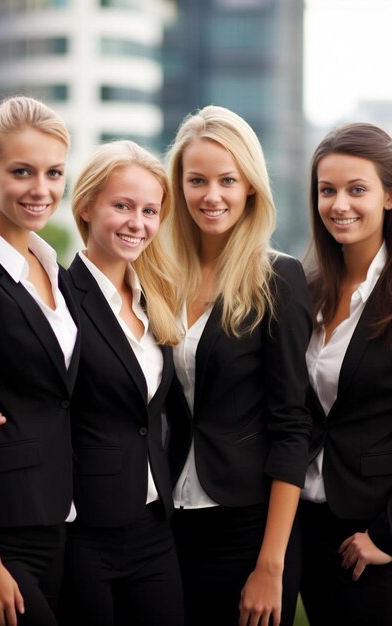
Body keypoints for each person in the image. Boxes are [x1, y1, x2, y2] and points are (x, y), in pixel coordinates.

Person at [164, 105, 312, 626]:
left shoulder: (280, 279)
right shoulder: (159, 277)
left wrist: (270, 566)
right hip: (167, 521)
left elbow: (293, 428)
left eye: (228, 180)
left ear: (250, 186)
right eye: (197, 180)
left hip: (249, 527)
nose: (212, 195)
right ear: (177, 186)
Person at [57, 140, 184, 626]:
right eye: (123, 206)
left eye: (150, 210)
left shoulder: (155, 300)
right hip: (86, 530)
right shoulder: (61, 298)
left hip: (155, 525)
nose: (138, 223)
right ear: (87, 206)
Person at [0, 95, 80, 626]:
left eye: (53, 173)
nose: (41, 190)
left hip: (58, 522)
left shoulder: (53, 267)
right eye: (22, 172)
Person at [298, 122, 392, 626]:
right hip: (309, 527)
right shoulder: (307, 291)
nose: (340, 204)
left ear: (389, 196)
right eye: (327, 190)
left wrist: (387, 535)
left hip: (371, 533)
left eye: (357, 189)